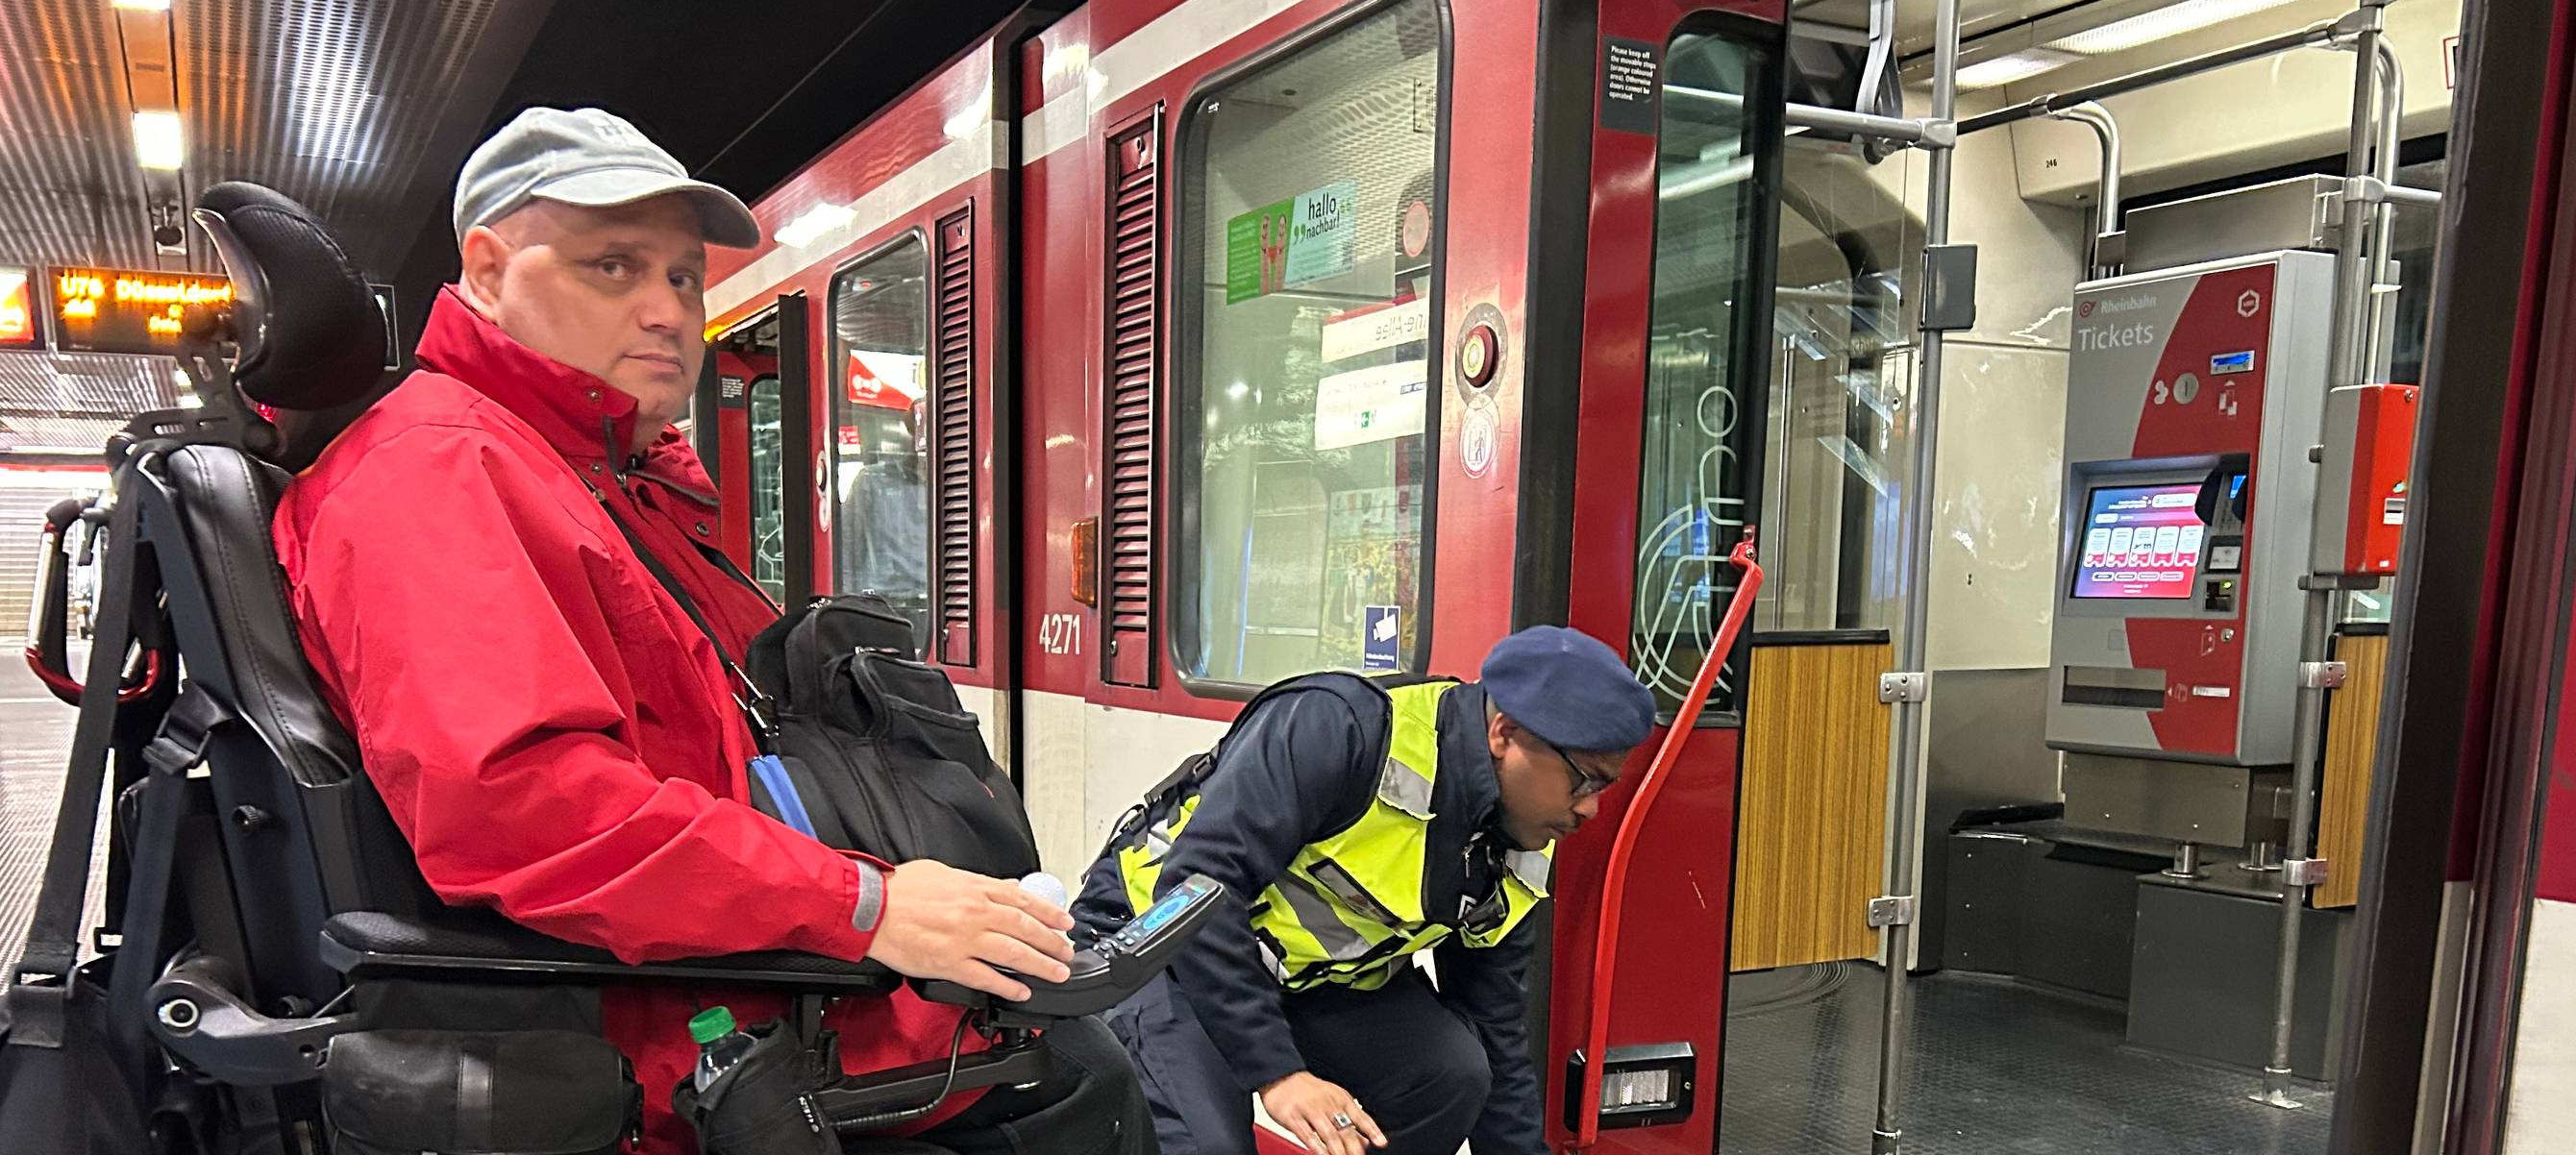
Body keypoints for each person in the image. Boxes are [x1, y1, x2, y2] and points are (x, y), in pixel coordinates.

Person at [274, 107, 1148, 1154]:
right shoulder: (438, 471)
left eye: (683, 278)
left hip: (719, 960)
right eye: (613, 266)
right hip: (658, 1018)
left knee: (1059, 1009)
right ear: (489, 267)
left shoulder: (598, 477)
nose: (666, 311)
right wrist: (869, 904)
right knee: (1071, 1076)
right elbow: (519, 805)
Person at [1073, 626, 1657, 1155]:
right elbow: (1199, 888)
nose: (1590, 809)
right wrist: (1280, 1074)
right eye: (1585, 780)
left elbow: (1495, 1020)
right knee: (1209, 1145)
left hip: (1308, 979)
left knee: (1452, 1073)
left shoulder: (1521, 840)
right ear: (1506, 733)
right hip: (1160, 946)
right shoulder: (1343, 728)